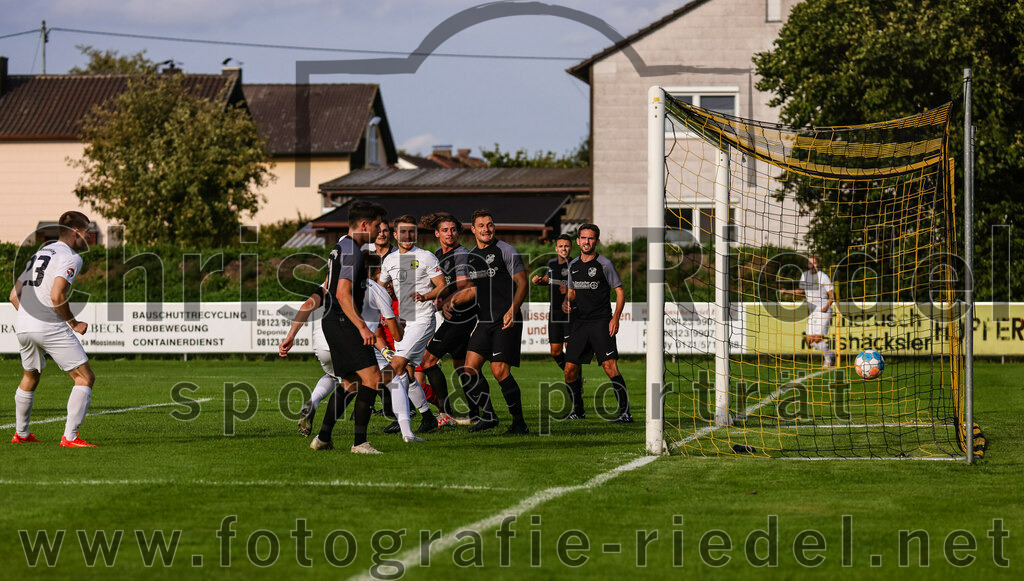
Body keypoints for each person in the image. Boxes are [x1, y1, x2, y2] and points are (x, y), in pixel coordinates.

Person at [279, 253, 404, 438]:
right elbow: (388, 332)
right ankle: (378, 436)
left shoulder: (331, 285)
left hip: (322, 342)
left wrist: (290, 336)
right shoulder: (375, 289)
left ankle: (315, 409)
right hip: (347, 339)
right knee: (377, 380)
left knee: (338, 377)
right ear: (378, 271)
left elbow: (306, 305)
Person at [8, 211, 97, 447]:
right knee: (84, 377)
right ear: (77, 232)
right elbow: (56, 295)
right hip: (48, 324)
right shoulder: (71, 257)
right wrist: (74, 323)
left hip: (24, 324)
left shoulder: (39, 254)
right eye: (87, 233)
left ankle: (21, 434)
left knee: (30, 376)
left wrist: (31, 318)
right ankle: (70, 437)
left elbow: (13, 296)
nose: (88, 238)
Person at [310, 201, 389, 453]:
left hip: (333, 321)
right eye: (377, 225)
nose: (379, 231)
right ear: (365, 224)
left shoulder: (342, 244)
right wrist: (363, 327)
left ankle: (323, 438)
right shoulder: (353, 250)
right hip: (343, 322)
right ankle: (360, 443)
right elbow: (343, 294)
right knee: (373, 378)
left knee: (351, 382)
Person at [446, 210, 529, 434]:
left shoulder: (506, 251)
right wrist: (450, 300)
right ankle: (489, 415)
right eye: (481, 226)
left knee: (500, 370)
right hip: (484, 321)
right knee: (469, 368)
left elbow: (523, 284)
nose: (486, 229)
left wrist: (513, 310)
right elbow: (474, 290)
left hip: (506, 319)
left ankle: (519, 423)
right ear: (473, 230)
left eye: (489, 224)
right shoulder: (472, 257)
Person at [378, 215, 447, 437]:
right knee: (406, 373)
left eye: (412, 232)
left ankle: (399, 419)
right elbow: (379, 289)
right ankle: (427, 418)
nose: (408, 236)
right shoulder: (389, 260)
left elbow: (443, 286)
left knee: (393, 369)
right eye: (403, 232)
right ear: (395, 235)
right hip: (405, 322)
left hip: (423, 321)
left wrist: (426, 295)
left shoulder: (425, 257)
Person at [562, 224, 632, 422]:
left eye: (591, 238)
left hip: (601, 322)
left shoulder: (604, 264)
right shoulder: (573, 265)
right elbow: (572, 292)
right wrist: (566, 300)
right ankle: (578, 410)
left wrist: (615, 317)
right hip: (580, 323)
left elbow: (619, 292)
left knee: (610, 367)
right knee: (569, 370)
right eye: (583, 238)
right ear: (578, 241)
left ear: (597, 242)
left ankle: (625, 412)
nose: (586, 241)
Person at [420, 213, 477, 426]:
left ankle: (446, 414)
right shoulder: (437, 254)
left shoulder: (461, 253)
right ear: (437, 233)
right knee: (462, 367)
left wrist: (446, 302)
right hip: (456, 316)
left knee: (427, 360)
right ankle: (476, 414)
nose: (449, 233)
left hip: (462, 316)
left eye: (453, 230)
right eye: (445, 230)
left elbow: (464, 286)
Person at [780, 255, 835, 368]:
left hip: (823, 311)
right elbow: (800, 291)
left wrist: (826, 307)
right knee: (809, 340)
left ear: (818, 264)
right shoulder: (805, 276)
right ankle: (830, 354)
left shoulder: (823, 277)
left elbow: (832, 296)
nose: (812, 265)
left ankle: (828, 361)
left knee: (817, 338)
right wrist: (787, 291)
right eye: (810, 263)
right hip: (812, 312)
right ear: (808, 265)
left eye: (814, 262)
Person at [532, 234, 573, 372]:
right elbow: (548, 279)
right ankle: (576, 376)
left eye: (566, 246)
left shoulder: (575, 264)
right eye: (561, 246)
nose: (564, 249)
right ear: (556, 248)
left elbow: (580, 286)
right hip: (554, 312)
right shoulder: (551, 264)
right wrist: (539, 280)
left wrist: (568, 289)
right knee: (555, 351)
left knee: (571, 349)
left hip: (570, 313)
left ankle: (574, 379)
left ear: (571, 248)